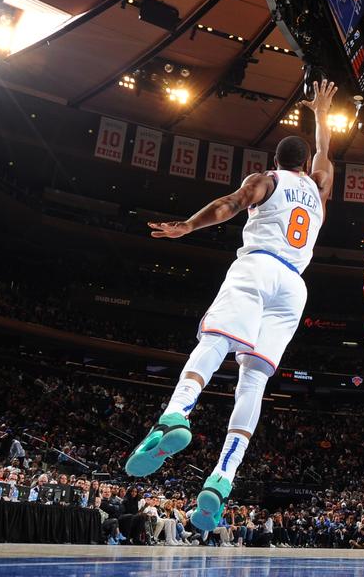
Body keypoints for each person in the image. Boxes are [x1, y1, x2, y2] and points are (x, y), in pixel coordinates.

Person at [122, 80, 337, 535]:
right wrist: (322, 113)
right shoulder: (320, 188)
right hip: (294, 288)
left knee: (215, 340)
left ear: (277, 161)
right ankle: (223, 477)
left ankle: (174, 416)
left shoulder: (265, 180)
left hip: (258, 267)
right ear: (306, 163)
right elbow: (326, 155)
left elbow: (228, 205)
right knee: (254, 379)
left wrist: (186, 226)